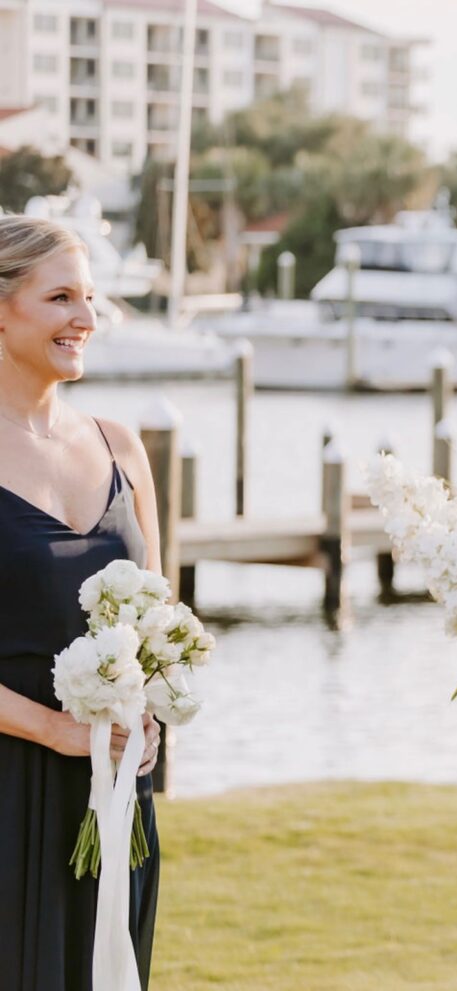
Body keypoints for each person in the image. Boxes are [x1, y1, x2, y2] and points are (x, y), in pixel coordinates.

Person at [0, 215, 163, 990]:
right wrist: (54, 731)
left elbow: (161, 623)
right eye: (61, 296)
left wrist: (151, 719)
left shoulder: (120, 446)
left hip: (112, 795)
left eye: (91, 298)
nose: (86, 320)